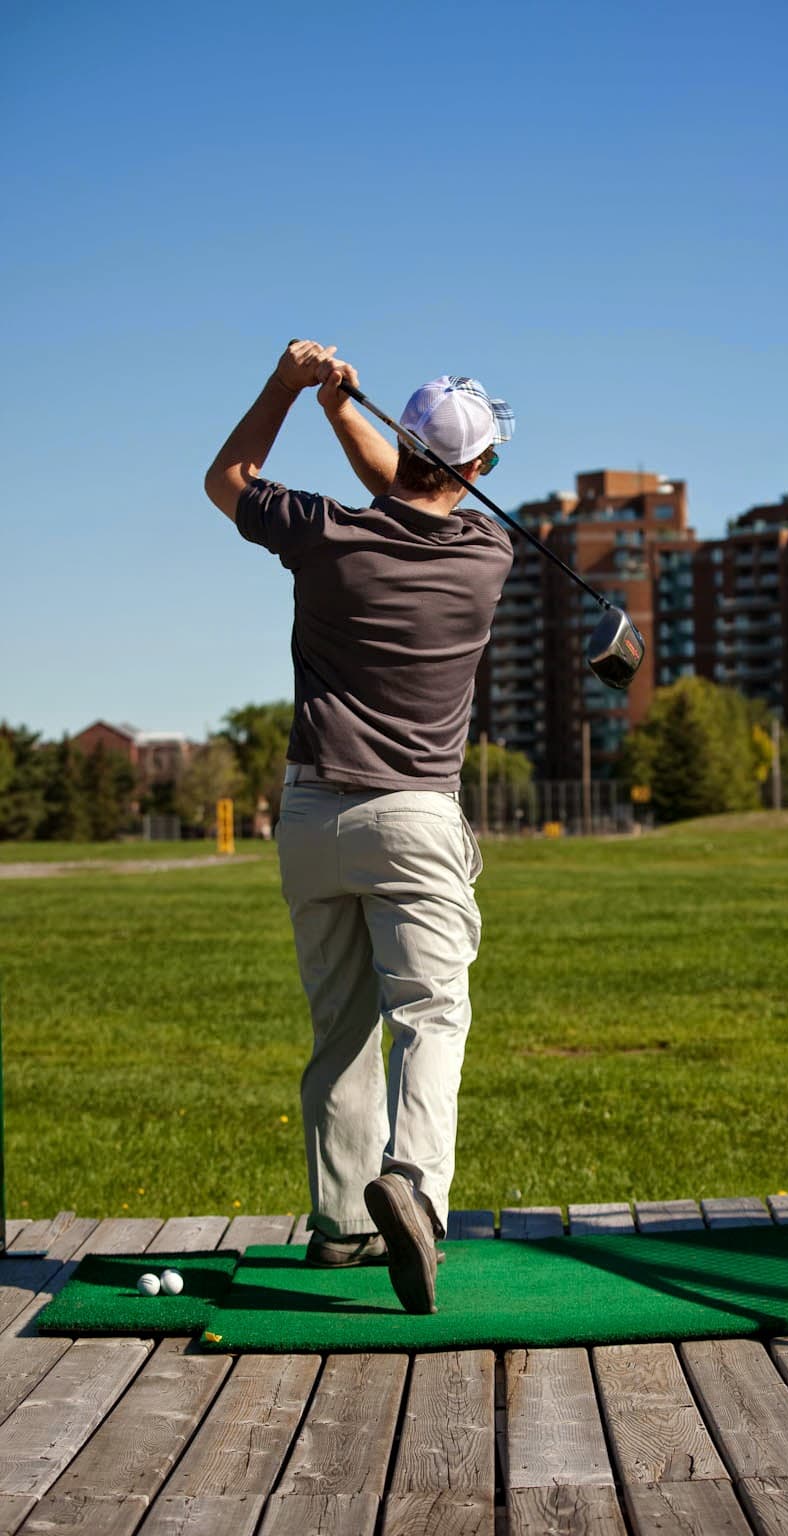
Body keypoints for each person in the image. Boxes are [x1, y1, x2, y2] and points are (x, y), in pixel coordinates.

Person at [204, 340, 515, 1313]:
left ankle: (343, 1224)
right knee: (430, 1011)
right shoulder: (489, 552)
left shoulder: (324, 533)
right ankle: (412, 1187)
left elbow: (227, 479)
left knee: (339, 1026)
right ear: (477, 468)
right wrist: (347, 413)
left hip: (308, 814)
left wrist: (296, 389)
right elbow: (417, 494)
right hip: (414, 816)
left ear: (403, 444)